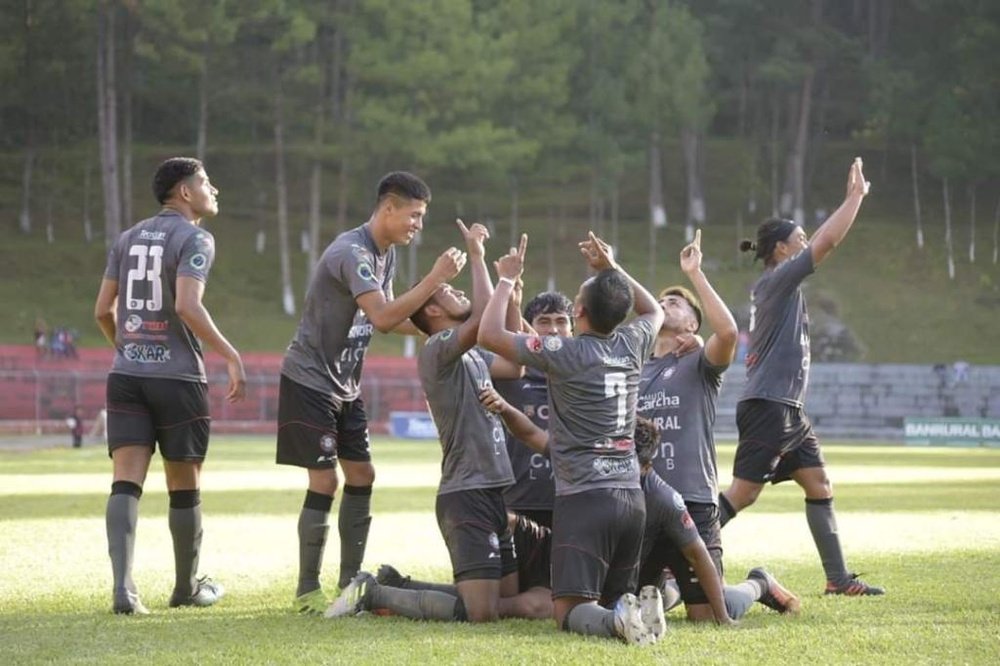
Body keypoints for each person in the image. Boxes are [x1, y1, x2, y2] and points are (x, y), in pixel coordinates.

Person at [327, 223, 543, 623]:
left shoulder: (471, 355)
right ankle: (373, 593)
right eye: (450, 292)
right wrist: (479, 258)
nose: (459, 292)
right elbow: (481, 320)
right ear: (432, 310)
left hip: (494, 491)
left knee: (502, 600)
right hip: (466, 493)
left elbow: (513, 365)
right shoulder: (438, 348)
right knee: (486, 612)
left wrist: (511, 294)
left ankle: (396, 584)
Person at [276, 171, 467, 614]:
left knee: (363, 475)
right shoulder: (352, 252)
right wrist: (435, 280)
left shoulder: (386, 254)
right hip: (310, 378)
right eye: (414, 215)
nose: (418, 224)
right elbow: (382, 317)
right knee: (325, 479)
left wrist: (443, 330)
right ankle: (307, 590)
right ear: (389, 208)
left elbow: (396, 315)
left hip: (345, 383)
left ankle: (349, 584)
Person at [477, 231, 666, 646]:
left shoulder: (564, 352)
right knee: (612, 593)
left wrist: (507, 279)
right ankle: (629, 611)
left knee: (567, 614)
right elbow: (652, 310)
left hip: (584, 496)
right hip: (631, 496)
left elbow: (489, 336)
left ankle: (620, 621)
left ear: (577, 311)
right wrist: (612, 269)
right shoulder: (633, 342)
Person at [478, 390, 797, 627]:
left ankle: (758, 584)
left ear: (646, 466)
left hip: (647, 578)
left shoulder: (664, 498)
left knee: (707, 613)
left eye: (631, 467)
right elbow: (534, 435)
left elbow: (697, 553)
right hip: (603, 572)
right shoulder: (593, 464)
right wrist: (504, 407)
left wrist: (725, 620)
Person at [717, 158, 884, 596]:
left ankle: (838, 579)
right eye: (799, 238)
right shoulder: (777, 279)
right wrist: (855, 198)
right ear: (782, 249)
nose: (806, 241)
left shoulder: (778, 284)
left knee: (819, 483)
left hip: (788, 410)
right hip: (770, 406)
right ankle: (677, 548)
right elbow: (829, 241)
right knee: (744, 494)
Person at [94, 157, 246, 615]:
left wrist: (129, 347)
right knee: (184, 485)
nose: (212, 188)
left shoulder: (127, 238)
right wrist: (230, 354)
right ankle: (185, 588)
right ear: (184, 192)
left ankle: (124, 590)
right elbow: (187, 305)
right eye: (205, 181)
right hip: (178, 380)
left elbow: (103, 309)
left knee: (126, 481)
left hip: (127, 376)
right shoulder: (196, 237)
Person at [637, 228, 737, 621]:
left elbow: (728, 332)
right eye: (660, 302)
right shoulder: (637, 369)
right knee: (629, 604)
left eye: (675, 302)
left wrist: (695, 274)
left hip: (693, 497)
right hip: (643, 499)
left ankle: (758, 584)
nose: (664, 304)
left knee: (709, 617)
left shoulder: (699, 363)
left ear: (694, 324)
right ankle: (670, 588)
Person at [491, 291, 574, 529]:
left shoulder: (586, 371)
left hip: (574, 497)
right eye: (544, 322)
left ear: (572, 330)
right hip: (518, 498)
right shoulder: (511, 371)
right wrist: (511, 302)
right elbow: (504, 336)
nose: (554, 329)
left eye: (561, 321)